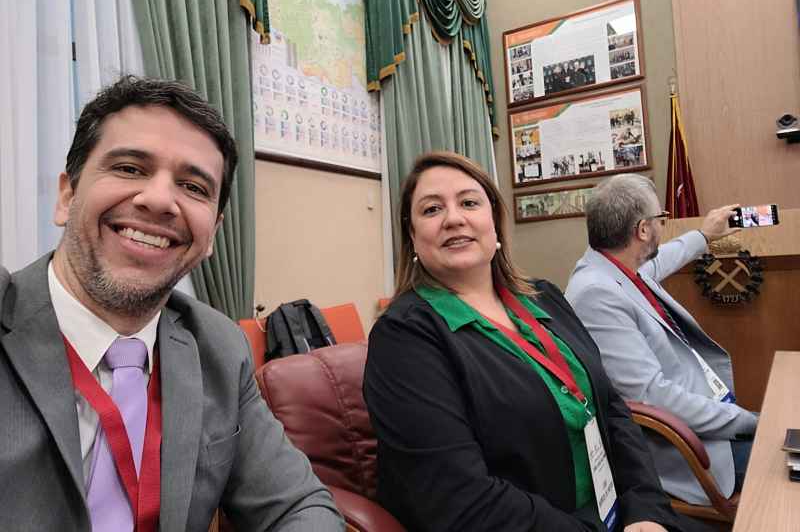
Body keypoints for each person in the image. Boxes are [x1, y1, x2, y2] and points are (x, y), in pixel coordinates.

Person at [0, 76, 343, 532]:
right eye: (129, 168)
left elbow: (299, 507)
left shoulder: (218, 347)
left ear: (212, 235)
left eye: (194, 188)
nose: (161, 200)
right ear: (67, 195)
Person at [364, 151, 686, 532]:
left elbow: (611, 407)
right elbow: (460, 499)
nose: (453, 218)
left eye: (469, 203)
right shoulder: (403, 340)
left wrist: (646, 510)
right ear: (413, 236)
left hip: (620, 514)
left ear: (494, 222)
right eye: (432, 209)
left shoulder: (544, 297)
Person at [565, 174, 757, 507]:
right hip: (692, 451)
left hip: (707, 417)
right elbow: (652, 396)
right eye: (660, 218)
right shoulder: (596, 293)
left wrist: (704, 236)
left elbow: (663, 258)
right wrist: (749, 422)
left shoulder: (619, 266)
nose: (662, 225)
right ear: (643, 230)